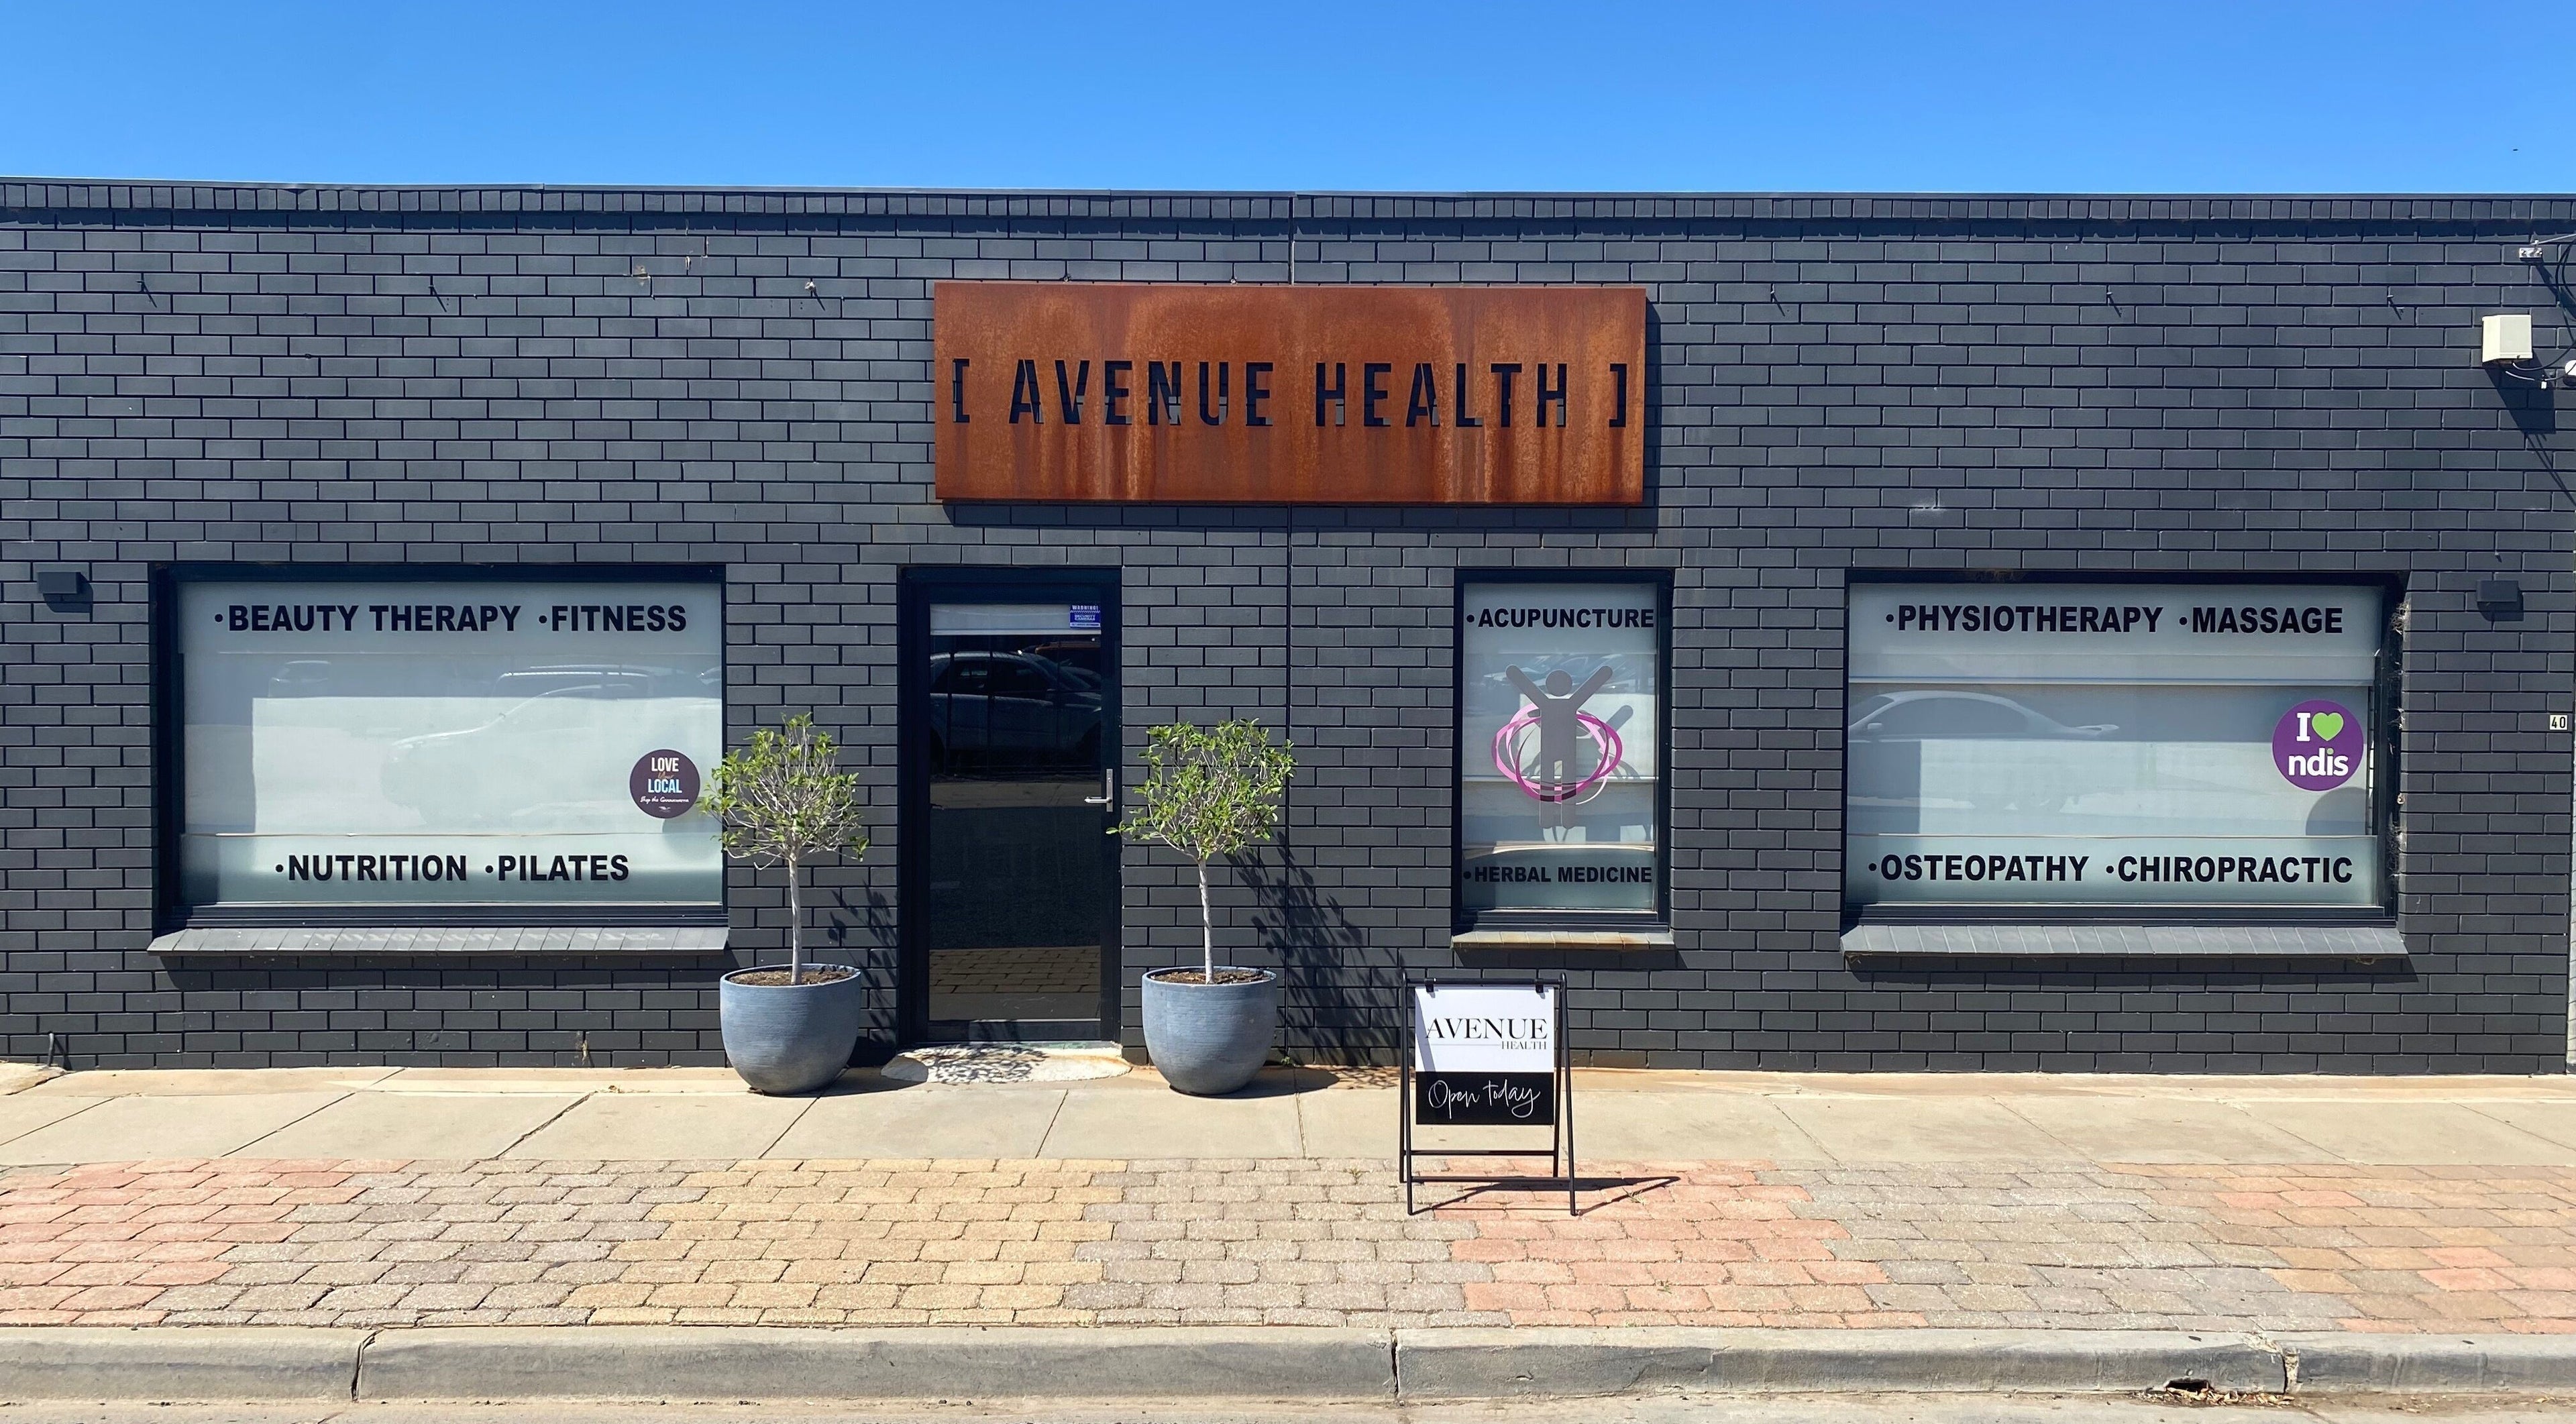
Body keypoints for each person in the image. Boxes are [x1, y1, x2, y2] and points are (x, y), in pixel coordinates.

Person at [1505, 664, 1615, 804]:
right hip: (1558, 746)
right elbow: (1591, 687)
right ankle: (1559, 811)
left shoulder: (1546, 703)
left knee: (1556, 783)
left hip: (1553, 746)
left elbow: (1526, 692)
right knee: (1561, 782)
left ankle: (1554, 811)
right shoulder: (1569, 703)